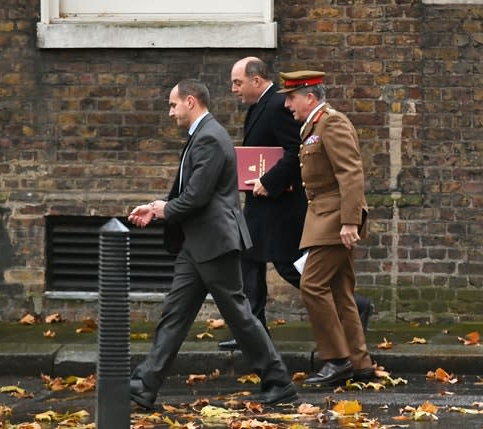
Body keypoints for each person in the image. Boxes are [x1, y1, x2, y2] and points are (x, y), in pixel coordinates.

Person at [127, 79, 298, 408]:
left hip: (214, 241)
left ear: (191, 101)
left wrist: (163, 210)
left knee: (239, 315)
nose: (170, 112)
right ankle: (145, 384)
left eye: (173, 105)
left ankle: (278, 380)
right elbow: (187, 192)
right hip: (197, 241)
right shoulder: (202, 136)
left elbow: (196, 197)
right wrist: (157, 208)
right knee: (175, 314)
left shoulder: (209, 137)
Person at [279, 70, 374, 386]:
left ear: (309, 97)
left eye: (291, 98)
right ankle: (359, 362)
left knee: (312, 285)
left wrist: (349, 221)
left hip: (334, 220)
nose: (288, 105)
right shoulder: (315, 126)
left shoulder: (331, 123)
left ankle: (336, 359)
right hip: (326, 218)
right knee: (340, 291)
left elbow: (350, 173)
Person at [218, 57, 307, 350]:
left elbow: (295, 153)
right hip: (260, 205)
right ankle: (253, 333)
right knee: (249, 261)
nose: (234, 89)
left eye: (238, 82)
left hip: (279, 206)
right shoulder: (261, 105)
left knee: (289, 266)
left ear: (257, 81)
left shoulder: (277, 106)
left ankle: (354, 307)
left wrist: (269, 182)